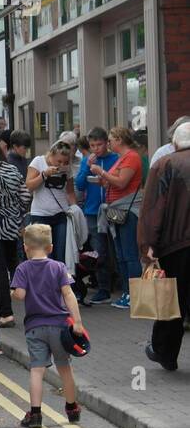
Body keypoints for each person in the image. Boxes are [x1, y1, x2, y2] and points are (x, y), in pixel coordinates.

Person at [12, 224, 86, 427]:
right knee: (65, 369)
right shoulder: (59, 267)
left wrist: (12, 293)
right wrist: (77, 322)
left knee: (37, 370)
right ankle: (72, 409)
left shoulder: (22, 268)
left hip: (35, 327)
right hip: (59, 327)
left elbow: (20, 295)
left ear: (26, 247)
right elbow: (69, 295)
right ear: (50, 247)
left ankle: (35, 414)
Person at [139, 121, 190, 370]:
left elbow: (152, 209)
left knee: (171, 302)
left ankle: (165, 353)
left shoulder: (165, 164)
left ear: (175, 143)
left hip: (176, 247)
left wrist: (147, 245)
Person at [91, 126, 143, 309]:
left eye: (112, 138)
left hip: (127, 210)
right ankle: (127, 292)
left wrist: (102, 173)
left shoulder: (131, 157)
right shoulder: (122, 158)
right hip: (116, 209)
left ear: (120, 139)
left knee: (129, 254)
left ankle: (135, 295)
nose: (109, 142)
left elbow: (122, 182)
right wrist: (104, 181)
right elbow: (113, 183)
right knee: (120, 254)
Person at [0, 139, 27, 331]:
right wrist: (17, 214)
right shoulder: (13, 170)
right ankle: (33, 310)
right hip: (13, 223)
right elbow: (26, 195)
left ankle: (5, 313)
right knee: (16, 267)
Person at [76, 128, 118, 304]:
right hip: (93, 211)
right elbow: (79, 184)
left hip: (113, 207)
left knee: (116, 248)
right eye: (92, 145)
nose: (96, 149)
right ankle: (103, 287)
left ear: (106, 143)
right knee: (98, 250)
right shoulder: (87, 160)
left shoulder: (115, 159)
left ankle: (121, 284)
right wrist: (87, 167)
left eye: (99, 144)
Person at [26, 141, 77, 266]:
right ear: (51, 154)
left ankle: (59, 283)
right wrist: (44, 175)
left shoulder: (67, 169)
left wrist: (75, 209)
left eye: (65, 162)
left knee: (61, 254)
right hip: (41, 214)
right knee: (44, 254)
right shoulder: (38, 161)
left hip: (60, 214)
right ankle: (46, 283)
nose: (61, 165)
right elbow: (29, 186)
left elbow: (70, 192)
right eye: (59, 161)